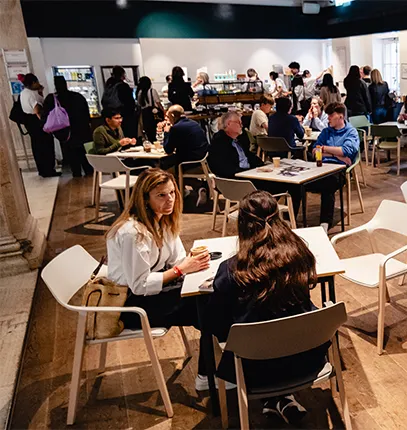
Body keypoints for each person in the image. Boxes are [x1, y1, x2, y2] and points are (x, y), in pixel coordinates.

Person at [202, 191, 326, 423]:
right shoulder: (301, 256)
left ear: (242, 225)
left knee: (241, 331)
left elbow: (212, 323)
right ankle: (280, 399)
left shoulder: (231, 271)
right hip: (306, 358)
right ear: (279, 220)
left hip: (254, 368)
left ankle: (275, 399)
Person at [105, 168, 221, 392]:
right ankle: (209, 375)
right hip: (130, 306)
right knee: (208, 307)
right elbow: (139, 286)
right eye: (161, 195)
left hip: (156, 292)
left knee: (213, 298)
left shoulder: (163, 221)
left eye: (172, 193)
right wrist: (180, 270)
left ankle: (219, 366)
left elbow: (178, 259)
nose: (170, 200)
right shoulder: (133, 233)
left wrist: (190, 264)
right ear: (145, 199)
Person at [308, 102, 359, 232]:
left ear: (341, 116)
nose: (328, 117)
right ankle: (289, 218)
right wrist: (336, 154)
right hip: (321, 166)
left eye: (331, 115)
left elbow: (346, 151)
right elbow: (314, 150)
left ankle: (324, 223)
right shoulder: (326, 132)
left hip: (339, 170)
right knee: (298, 183)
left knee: (328, 184)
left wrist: (324, 149)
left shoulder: (351, 132)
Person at [42, 75, 93, 177]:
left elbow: (45, 116)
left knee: (71, 153)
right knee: (84, 153)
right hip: (82, 130)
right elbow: (86, 114)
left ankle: (76, 173)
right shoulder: (78, 97)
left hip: (65, 132)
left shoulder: (52, 99)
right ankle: (89, 171)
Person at [208, 111, 262, 179]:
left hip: (248, 173)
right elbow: (224, 169)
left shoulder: (237, 140)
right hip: (239, 179)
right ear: (229, 124)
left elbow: (248, 155)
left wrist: (262, 166)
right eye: (239, 123)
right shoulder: (219, 143)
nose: (241, 126)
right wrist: (250, 172)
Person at [104, 66, 137, 140]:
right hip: (124, 115)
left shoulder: (109, 85)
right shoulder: (122, 86)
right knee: (128, 136)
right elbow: (130, 103)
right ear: (122, 75)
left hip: (111, 116)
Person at [136, 76, 164, 143]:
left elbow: (139, 104)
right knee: (156, 130)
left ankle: (150, 142)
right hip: (153, 113)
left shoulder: (140, 92)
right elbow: (158, 103)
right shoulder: (152, 91)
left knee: (148, 130)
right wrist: (163, 111)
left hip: (145, 114)